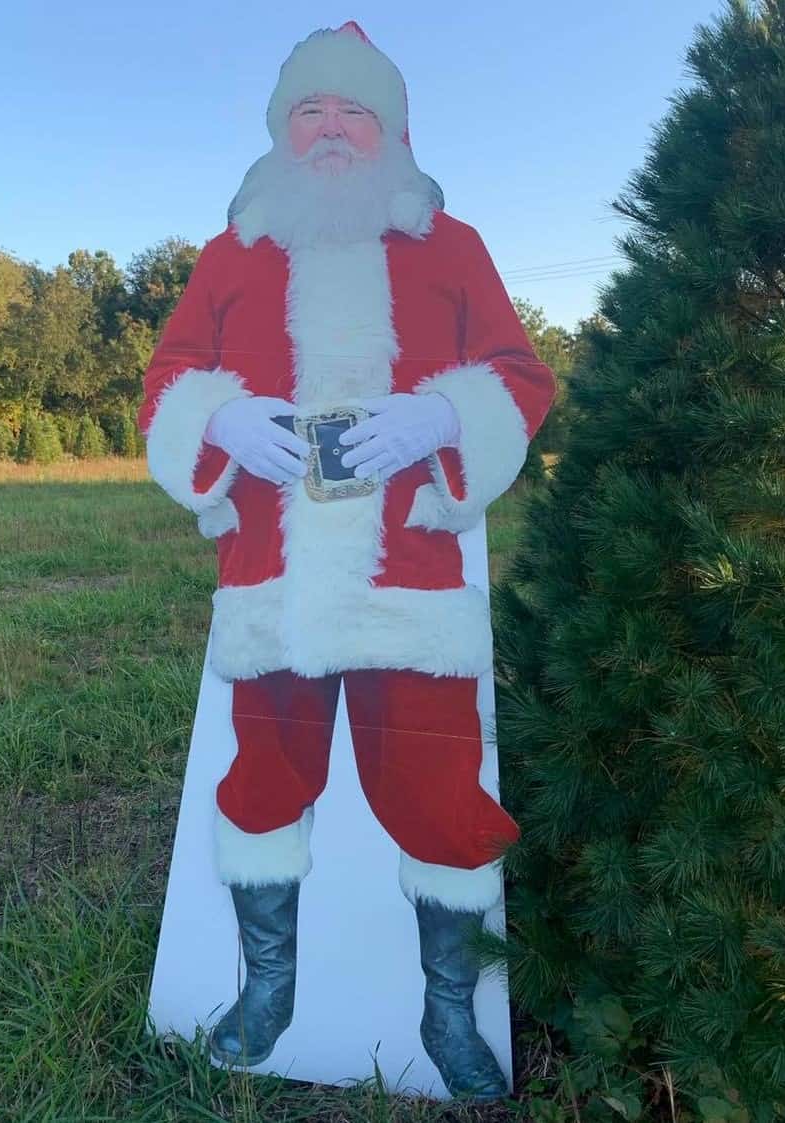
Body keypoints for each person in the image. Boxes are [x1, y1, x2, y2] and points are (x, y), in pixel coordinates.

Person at [138, 21, 557, 1101]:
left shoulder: (451, 246)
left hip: (409, 577)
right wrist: (219, 422)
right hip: (271, 573)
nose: (329, 128)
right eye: (309, 110)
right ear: (284, 129)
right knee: (264, 784)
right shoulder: (231, 252)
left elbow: (518, 372)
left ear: (391, 128)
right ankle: (267, 992)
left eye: (350, 109)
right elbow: (170, 374)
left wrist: (440, 418)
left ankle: (448, 1013)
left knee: (438, 797)